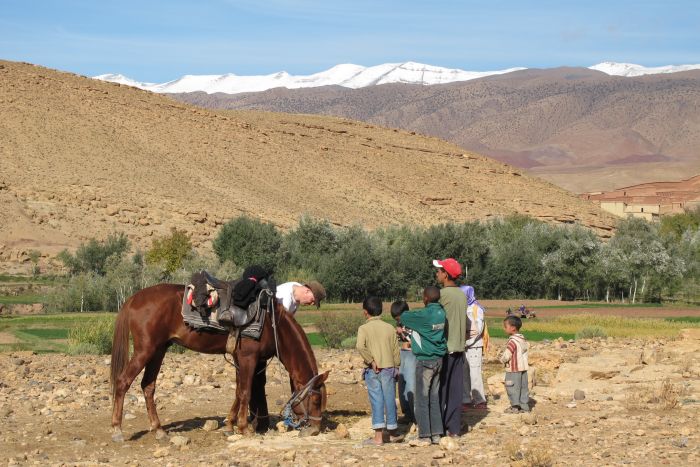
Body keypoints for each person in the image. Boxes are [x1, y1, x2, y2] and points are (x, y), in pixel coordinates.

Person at [398, 286, 446, 446]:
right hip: (439, 359)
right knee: (434, 396)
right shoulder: (441, 312)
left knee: (422, 398)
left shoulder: (425, 314)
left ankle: (425, 435)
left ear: (425, 298)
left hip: (426, 360)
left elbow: (404, 317)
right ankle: (437, 433)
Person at [356, 296, 401, 446]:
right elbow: (396, 350)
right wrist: (397, 367)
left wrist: (371, 360)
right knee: (390, 399)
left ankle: (378, 438)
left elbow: (360, 346)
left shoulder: (363, 328)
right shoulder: (389, 328)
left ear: (365, 312)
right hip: (389, 368)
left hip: (373, 370)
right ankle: (393, 433)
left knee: (377, 401)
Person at [433, 258, 467, 437]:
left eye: (439, 271)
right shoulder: (462, 294)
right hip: (459, 348)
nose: (437, 274)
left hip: (445, 348)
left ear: (445, 274)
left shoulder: (442, 295)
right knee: (455, 391)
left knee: (440, 389)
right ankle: (453, 428)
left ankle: (438, 427)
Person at [460, 285, 488, 411]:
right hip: (463, 345)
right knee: (464, 372)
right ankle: (466, 399)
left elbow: (479, 329)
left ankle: (480, 399)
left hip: (474, 346)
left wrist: (469, 341)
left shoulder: (477, 309)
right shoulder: (462, 307)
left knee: (475, 373)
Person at [390, 300, 415, 423]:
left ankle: (415, 414)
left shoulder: (414, 323)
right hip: (403, 354)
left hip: (411, 355)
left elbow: (415, 340)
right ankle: (407, 413)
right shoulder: (401, 323)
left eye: (399, 318)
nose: (398, 321)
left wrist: (403, 334)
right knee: (402, 384)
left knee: (411, 384)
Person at [500, 316, 530, 413]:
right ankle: (524, 406)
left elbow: (507, 355)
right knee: (523, 387)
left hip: (513, 369)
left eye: (505, 326)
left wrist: (502, 360)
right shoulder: (523, 339)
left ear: (512, 328)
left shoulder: (512, 341)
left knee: (512, 387)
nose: (504, 329)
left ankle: (515, 407)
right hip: (523, 369)